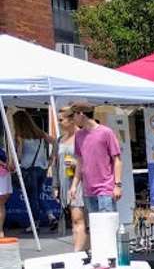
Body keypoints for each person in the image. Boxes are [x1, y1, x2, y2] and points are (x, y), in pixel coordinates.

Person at [69, 103, 122, 213]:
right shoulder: (79, 135)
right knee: (95, 227)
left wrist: (117, 185)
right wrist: (74, 185)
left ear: (81, 114)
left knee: (107, 226)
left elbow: (117, 160)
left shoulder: (106, 132)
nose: (73, 119)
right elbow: (80, 162)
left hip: (106, 189)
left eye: (74, 115)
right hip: (88, 190)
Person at [13, 109, 54, 228]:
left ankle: (35, 223)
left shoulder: (20, 136)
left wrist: (16, 162)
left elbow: (20, 155)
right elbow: (56, 142)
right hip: (43, 168)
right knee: (38, 194)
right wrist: (51, 158)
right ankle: (51, 216)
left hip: (29, 169)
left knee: (33, 197)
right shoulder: (40, 133)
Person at [56, 107, 86, 251]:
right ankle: (82, 251)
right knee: (75, 219)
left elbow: (90, 159)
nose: (59, 122)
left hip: (79, 181)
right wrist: (55, 185)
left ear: (71, 119)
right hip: (65, 182)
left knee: (77, 218)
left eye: (61, 119)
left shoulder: (82, 136)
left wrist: (75, 163)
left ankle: (77, 253)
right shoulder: (60, 139)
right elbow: (56, 163)